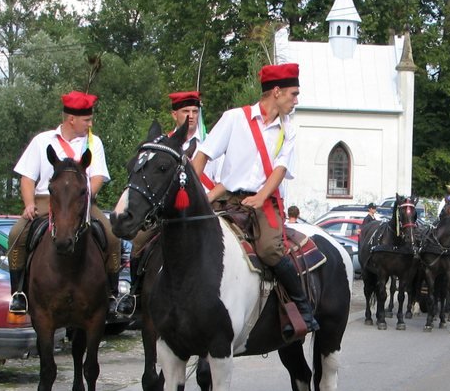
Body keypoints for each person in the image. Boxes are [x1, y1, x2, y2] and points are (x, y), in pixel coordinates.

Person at [192, 62, 319, 335]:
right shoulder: (234, 118)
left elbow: (280, 169)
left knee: (270, 250)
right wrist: (189, 193)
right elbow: (203, 155)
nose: (296, 100)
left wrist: (261, 196)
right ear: (276, 91)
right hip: (227, 199)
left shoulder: (289, 129)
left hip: (264, 200)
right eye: (293, 94)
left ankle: (302, 307)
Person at [8, 90, 118, 314]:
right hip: (46, 199)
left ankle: (113, 295)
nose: (90, 124)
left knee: (112, 236)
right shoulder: (42, 141)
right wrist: (29, 203)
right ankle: (18, 294)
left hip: (81, 200)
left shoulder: (93, 142)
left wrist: (84, 197)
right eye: (87, 120)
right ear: (71, 119)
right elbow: (27, 178)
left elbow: (97, 177)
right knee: (15, 235)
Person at [116, 90, 221, 316]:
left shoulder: (212, 142)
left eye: (195, 111)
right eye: (185, 111)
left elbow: (223, 179)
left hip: (206, 209)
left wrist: (207, 199)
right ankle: (135, 295)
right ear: (174, 114)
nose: (191, 116)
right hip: (168, 214)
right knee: (139, 242)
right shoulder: (160, 145)